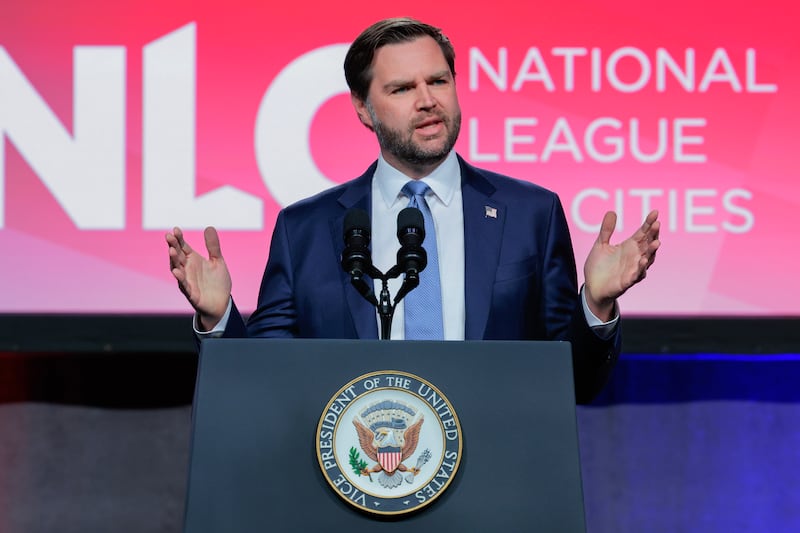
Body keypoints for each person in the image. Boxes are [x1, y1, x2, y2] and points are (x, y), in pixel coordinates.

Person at [165, 18, 660, 403]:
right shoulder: (307, 230)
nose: (427, 101)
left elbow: (573, 381)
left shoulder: (531, 214)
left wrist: (594, 308)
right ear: (363, 108)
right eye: (402, 89)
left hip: (494, 484)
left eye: (438, 81)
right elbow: (266, 384)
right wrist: (218, 320)